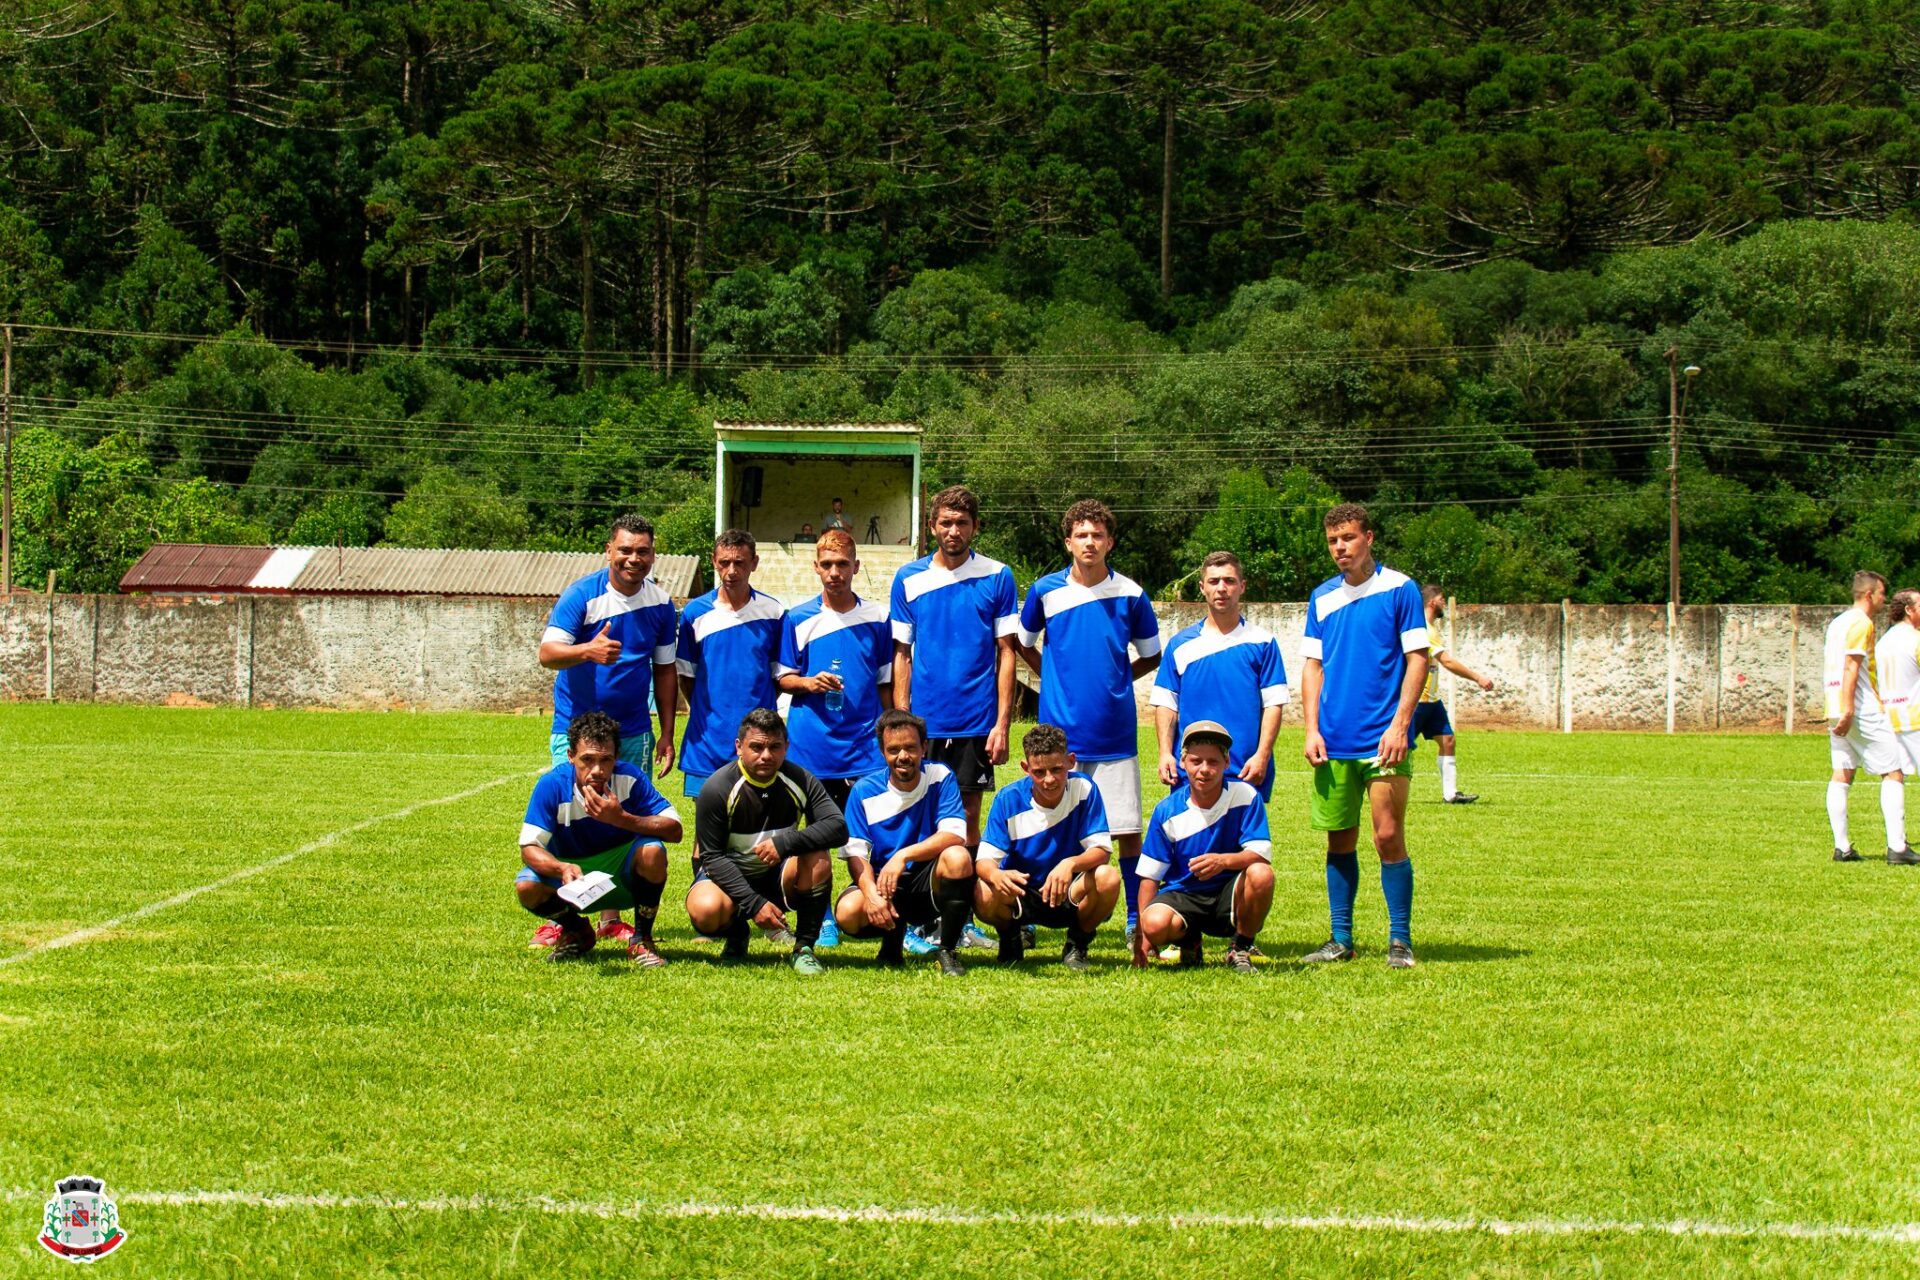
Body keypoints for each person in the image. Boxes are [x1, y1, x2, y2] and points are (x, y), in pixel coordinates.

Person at [1016, 499, 1161, 944]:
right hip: (1059, 738)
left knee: (1126, 832)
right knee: (1045, 827)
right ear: (1068, 542)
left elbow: (1152, 654)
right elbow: (1023, 643)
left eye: (1098, 535)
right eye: (1082, 534)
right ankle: (1027, 916)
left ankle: (1135, 920)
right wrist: (1052, 679)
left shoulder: (1132, 595)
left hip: (1115, 734)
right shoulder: (1044, 591)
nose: (1090, 542)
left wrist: (1119, 680)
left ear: (1110, 542)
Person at [534, 514, 679, 950]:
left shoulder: (660, 603)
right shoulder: (582, 595)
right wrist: (587, 650)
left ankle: (614, 918)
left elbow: (666, 669)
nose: (634, 559)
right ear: (608, 551)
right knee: (570, 821)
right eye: (625, 550)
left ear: (653, 555)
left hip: (632, 732)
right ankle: (564, 918)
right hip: (575, 732)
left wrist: (668, 732)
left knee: (624, 819)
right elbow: (547, 654)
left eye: (643, 551)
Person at [1299, 503, 1430, 970]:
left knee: (1388, 836)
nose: (1340, 548)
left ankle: (1400, 940)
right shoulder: (1322, 598)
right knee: (1339, 841)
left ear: (1368, 538)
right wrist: (1312, 728)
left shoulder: (1400, 588)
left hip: (1383, 739)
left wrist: (1400, 726)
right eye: (1333, 540)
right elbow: (1312, 667)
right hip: (1332, 740)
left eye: (1349, 538)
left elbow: (1418, 658)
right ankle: (1341, 939)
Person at [889, 484, 1019, 861]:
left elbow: (1007, 652)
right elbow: (902, 653)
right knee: (918, 814)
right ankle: (922, 912)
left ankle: (962, 918)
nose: (953, 531)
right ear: (932, 526)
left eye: (962, 523)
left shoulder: (997, 576)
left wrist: (1002, 724)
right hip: (924, 723)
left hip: (975, 722)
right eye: (945, 522)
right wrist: (903, 721)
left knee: (966, 817)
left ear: (975, 526)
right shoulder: (908, 578)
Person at [777, 530, 894, 947]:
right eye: (826, 565)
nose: (834, 573)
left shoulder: (878, 618)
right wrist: (809, 683)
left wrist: (890, 730)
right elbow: (784, 677)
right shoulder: (796, 617)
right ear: (815, 567)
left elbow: (885, 682)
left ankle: (884, 909)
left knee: (874, 833)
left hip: (865, 748)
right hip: (812, 746)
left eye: (842, 564)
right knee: (815, 835)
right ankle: (820, 915)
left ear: (856, 567)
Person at [516, 711, 684, 967]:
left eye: (605, 760)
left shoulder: (630, 779)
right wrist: (561, 867)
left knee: (652, 851)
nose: (597, 770)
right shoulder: (552, 785)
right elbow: (529, 846)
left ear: (617, 757)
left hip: (621, 880)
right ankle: (577, 931)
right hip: (572, 880)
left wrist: (621, 818)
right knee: (526, 886)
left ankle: (642, 938)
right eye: (587, 760)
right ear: (571, 756)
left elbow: (675, 830)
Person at [686, 709, 848, 972]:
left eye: (775, 747)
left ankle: (804, 947)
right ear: (739, 747)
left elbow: (837, 827)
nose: (766, 755)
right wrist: (754, 904)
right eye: (757, 747)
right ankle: (737, 934)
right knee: (705, 909)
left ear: (786, 747)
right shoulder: (717, 788)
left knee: (818, 858)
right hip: (729, 879)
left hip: (778, 875)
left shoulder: (801, 779)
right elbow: (712, 857)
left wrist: (784, 844)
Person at [833, 709, 976, 977]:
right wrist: (873, 896)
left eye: (910, 747)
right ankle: (891, 946)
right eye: (894, 749)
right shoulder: (863, 791)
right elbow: (856, 855)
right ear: (882, 751)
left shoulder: (940, 776)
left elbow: (955, 834)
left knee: (957, 857)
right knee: (848, 912)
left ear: (924, 747)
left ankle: (947, 951)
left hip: (926, 881)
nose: (903, 756)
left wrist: (901, 856)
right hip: (883, 881)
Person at [973, 723, 1121, 971]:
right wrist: (997, 875)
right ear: (1025, 768)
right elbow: (984, 862)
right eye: (1039, 772)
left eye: (1057, 769)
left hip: (1068, 890)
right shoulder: (1008, 800)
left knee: (1108, 878)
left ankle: (1077, 944)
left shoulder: (1084, 789)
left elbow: (1102, 851)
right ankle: (1010, 938)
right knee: (983, 889)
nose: (1049, 779)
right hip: (1023, 893)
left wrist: (1069, 864)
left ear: (1071, 762)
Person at [1132, 721, 1273, 975]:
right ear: (1183, 762)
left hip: (1228, 895)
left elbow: (1260, 854)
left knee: (1262, 874)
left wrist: (1223, 862)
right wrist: (1143, 935)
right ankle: (1189, 942)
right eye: (1196, 761)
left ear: (1227, 763)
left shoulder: (1245, 796)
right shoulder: (1167, 811)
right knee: (1154, 924)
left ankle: (1240, 947)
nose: (1204, 770)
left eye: (1213, 762)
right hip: (1184, 893)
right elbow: (1150, 876)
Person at [1151, 550, 1287, 802]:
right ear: (1202, 587)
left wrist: (1262, 755)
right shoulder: (1179, 645)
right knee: (1192, 841)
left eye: (1229, 581)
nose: (1221, 588)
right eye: (1214, 582)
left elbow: (1273, 704)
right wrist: (1164, 754)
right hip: (1191, 772)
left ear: (1242, 586)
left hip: (1246, 770)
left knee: (1243, 842)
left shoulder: (1263, 642)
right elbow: (1166, 705)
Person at [1826, 571, 1913, 863]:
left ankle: (1843, 848)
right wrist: (1850, 709)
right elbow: (1852, 667)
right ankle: (1898, 848)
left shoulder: (1837, 623)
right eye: (1881, 594)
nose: (1883, 600)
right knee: (1894, 771)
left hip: (1833, 707)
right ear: (1868, 595)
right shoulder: (1862, 623)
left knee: (1842, 774)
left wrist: (1839, 708)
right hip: (1860, 709)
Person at [1415, 584, 1497, 805]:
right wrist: (1478, 677)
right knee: (1398, 748)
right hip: (1416, 701)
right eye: (1442, 599)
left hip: (1431, 700)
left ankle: (1450, 794)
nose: (1445, 603)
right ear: (1433, 602)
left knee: (1448, 740)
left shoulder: (1431, 629)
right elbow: (1447, 661)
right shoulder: (1425, 630)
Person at [1876, 588, 1920, 781]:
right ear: (1909, 610)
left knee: (1893, 776)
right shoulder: (1916, 640)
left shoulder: (1883, 642)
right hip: (1915, 717)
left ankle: (1893, 814)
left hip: (1889, 718)